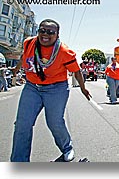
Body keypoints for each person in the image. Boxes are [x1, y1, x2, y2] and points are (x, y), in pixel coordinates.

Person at [10, 19, 91, 162]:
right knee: (22, 124)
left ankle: (67, 148)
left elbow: (77, 71)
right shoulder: (29, 42)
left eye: (50, 32)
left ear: (57, 35)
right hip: (32, 87)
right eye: (42, 30)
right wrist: (16, 70)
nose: (45, 34)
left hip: (56, 88)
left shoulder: (64, 51)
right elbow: (24, 58)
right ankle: (19, 161)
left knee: (54, 122)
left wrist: (83, 89)